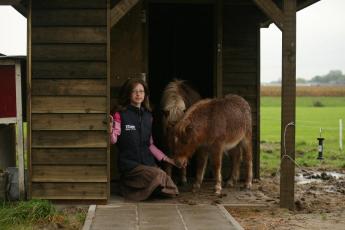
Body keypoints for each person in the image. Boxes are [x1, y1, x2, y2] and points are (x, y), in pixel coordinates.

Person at [109, 78, 179, 201]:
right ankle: (128, 187)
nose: (138, 94)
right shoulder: (120, 114)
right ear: (128, 94)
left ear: (145, 94)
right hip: (131, 165)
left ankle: (141, 190)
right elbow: (113, 140)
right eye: (134, 91)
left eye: (141, 91)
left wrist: (168, 159)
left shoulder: (148, 116)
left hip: (147, 163)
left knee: (171, 188)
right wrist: (110, 129)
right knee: (158, 175)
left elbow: (150, 145)